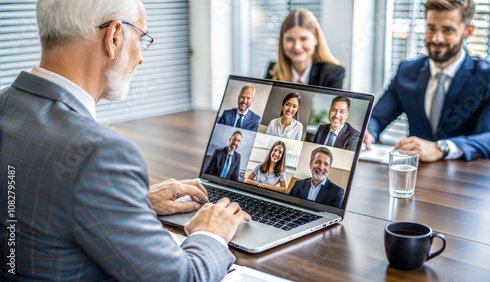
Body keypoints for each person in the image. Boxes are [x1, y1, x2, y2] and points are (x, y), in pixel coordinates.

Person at [0, 1, 251, 281]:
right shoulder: (100, 153)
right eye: (141, 39)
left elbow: (44, 202)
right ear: (115, 37)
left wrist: (131, 203)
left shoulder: (5, 106)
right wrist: (210, 232)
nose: (141, 58)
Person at [364, 0, 490, 162]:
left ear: (468, 31)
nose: (436, 39)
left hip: (465, 179)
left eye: (447, 30)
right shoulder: (406, 71)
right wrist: (367, 132)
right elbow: (377, 117)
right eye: (431, 28)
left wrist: (442, 147)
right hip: (414, 174)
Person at [265, 9, 345, 89]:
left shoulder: (333, 73)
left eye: (303, 39)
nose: (297, 46)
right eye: (290, 39)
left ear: (316, 39)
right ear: (282, 41)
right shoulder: (273, 70)